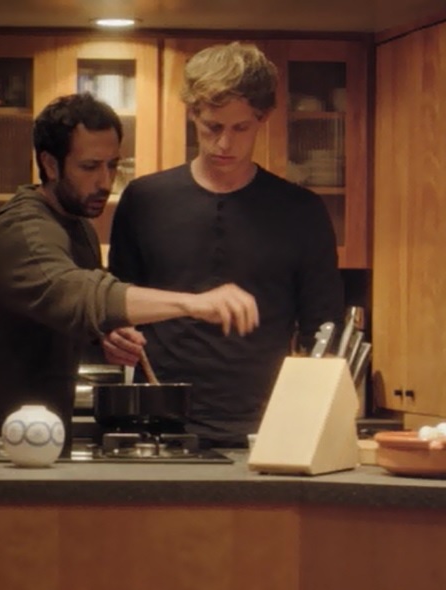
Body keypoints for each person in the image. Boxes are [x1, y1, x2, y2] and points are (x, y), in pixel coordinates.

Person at [0, 92, 260, 436]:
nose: (105, 182)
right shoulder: (23, 231)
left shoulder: (78, 226)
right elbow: (76, 293)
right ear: (50, 164)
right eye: (89, 167)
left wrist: (105, 335)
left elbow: (61, 312)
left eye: (112, 165)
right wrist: (193, 303)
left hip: (35, 436)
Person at [104, 41, 345, 448]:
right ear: (192, 113)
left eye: (240, 128)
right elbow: (115, 302)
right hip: (159, 423)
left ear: (263, 118)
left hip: (267, 427)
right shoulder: (145, 199)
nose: (224, 144)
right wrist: (113, 336)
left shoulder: (300, 210)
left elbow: (324, 330)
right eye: (212, 127)